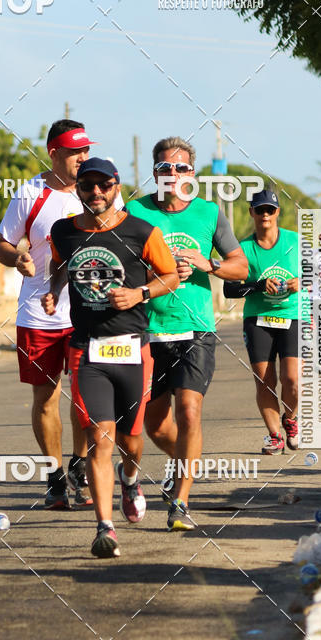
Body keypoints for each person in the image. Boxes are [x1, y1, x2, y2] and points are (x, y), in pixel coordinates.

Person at [41, 157, 178, 557]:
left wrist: (140, 294)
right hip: (87, 351)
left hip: (134, 350)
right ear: (78, 189)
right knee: (100, 439)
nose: (96, 193)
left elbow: (170, 275)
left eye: (104, 185)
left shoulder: (141, 230)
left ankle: (130, 478)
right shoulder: (63, 231)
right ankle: (105, 528)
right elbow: (60, 265)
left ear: (117, 187)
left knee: (131, 440)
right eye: (88, 186)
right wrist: (54, 290)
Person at [0, 121, 123, 508]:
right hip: (40, 314)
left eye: (86, 151)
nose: (83, 159)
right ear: (54, 154)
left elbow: (125, 238)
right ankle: (54, 477)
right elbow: (1, 243)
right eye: (74, 153)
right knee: (45, 398)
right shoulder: (30, 193)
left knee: (87, 399)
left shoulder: (103, 194)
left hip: (90, 312)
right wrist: (15, 257)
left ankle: (80, 467)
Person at [126, 137, 247, 529]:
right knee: (156, 425)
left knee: (190, 410)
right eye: (164, 168)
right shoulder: (135, 211)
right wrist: (156, 276)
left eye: (180, 168)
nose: (172, 174)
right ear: (155, 173)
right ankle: (180, 467)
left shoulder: (209, 213)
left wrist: (207, 264)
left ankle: (180, 501)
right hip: (148, 328)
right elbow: (123, 269)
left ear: (192, 175)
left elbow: (241, 268)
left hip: (195, 328)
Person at [223, 189, 304, 455]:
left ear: (278, 212)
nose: (265, 215)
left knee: (291, 379)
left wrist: (300, 283)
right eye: (260, 210)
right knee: (265, 380)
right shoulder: (243, 248)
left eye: (270, 209)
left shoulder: (295, 240)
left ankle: (290, 420)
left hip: (292, 316)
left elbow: (319, 276)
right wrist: (258, 286)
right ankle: (274, 436)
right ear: (252, 213)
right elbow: (229, 289)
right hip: (258, 320)